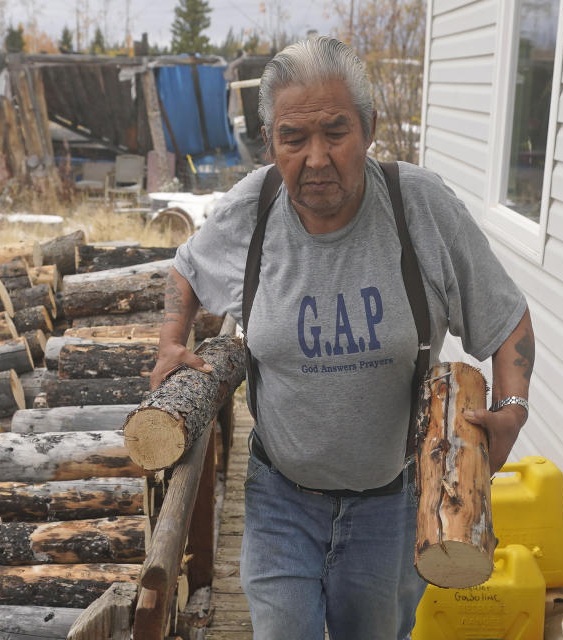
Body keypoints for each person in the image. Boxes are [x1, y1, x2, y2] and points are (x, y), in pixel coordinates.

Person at [150, 36, 534, 640]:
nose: (316, 158)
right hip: (279, 499)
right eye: (293, 138)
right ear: (271, 142)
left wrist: (512, 407)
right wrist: (172, 340)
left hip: (390, 504)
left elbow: (505, 316)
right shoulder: (254, 208)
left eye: (335, 131)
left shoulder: (420, 208)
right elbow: (187, 269)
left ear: (370, 128)